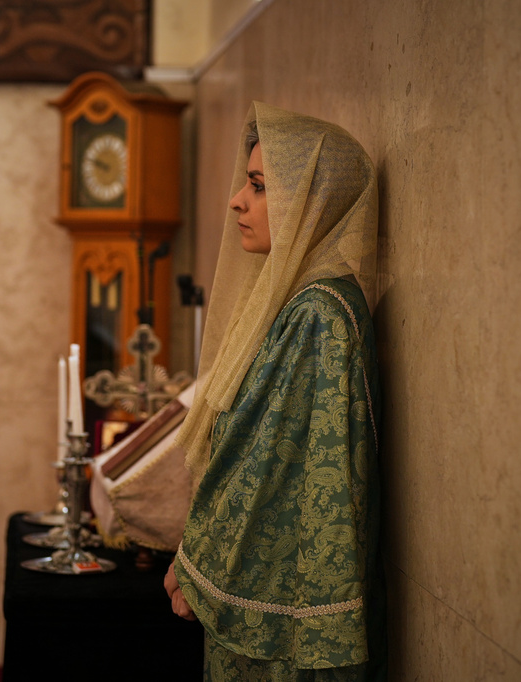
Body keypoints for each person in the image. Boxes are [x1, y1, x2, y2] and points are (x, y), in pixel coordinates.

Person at [163, 102, 386, 681]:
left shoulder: (319, 316)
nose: (237, 201)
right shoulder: (299, 301)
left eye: (259, 187)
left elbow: (269, 470)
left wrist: (198, 563)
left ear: (312, 202)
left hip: (284, 624)